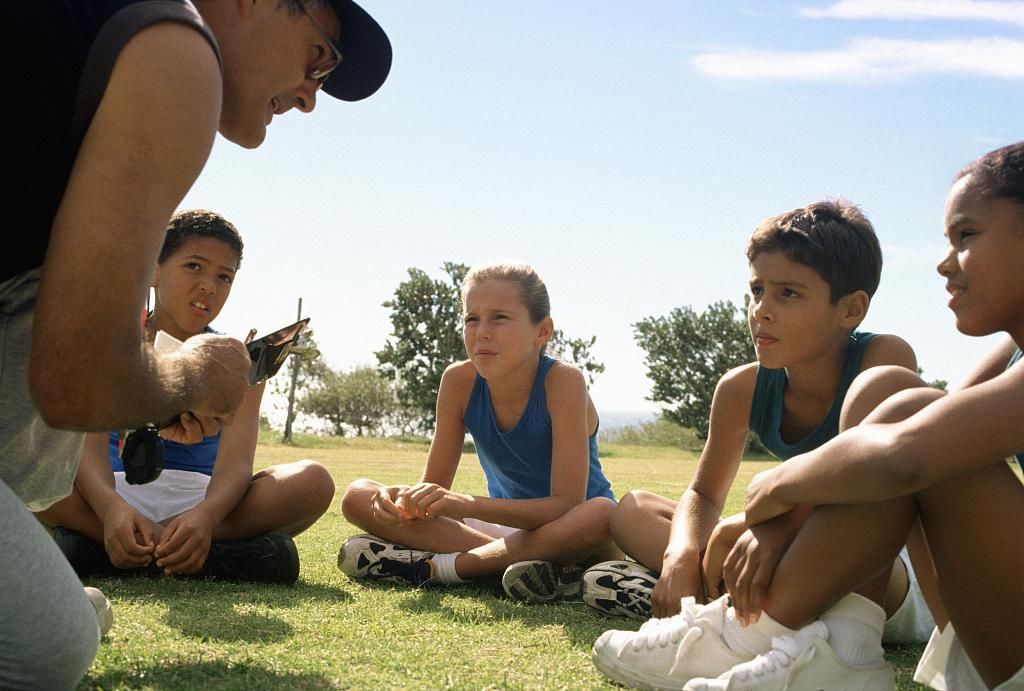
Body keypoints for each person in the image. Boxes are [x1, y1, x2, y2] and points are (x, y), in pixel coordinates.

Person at [0, 2, 390, 687]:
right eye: (319, 57)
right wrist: (190, 375)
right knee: (52, 650)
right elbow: (73, 381)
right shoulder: (180, 53)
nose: (309, 97)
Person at [594, 143, 1024, 690]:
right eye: (756, 292)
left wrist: (775, 502)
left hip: (895, 582)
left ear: (850, 309)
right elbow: (916, 447)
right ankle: (834, 647)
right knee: (892, 401)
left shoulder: (878, 350)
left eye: (967, 236)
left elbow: (904, 455)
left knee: (899, 405)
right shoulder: (1007, 355)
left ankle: (754, 630)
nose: (943, 263)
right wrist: (688, 550)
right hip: (984, 627)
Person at [582, 200, 933, 644]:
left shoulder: (883, 362)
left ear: (850, 310)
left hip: (883, 572)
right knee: (633, 511)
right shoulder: (740, 388)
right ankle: (694, 591)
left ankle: (707, 609)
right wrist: (680, 555)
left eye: (788, 293)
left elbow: (859, 485)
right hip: (791, 546)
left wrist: (757, 524)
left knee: (761, 539)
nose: (761, 310)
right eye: (757, 290)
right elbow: (704, 494)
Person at [37, 209, 336, 584]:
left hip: (204, 505)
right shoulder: (106, 346)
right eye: (194, 266)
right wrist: (111, 508)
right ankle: (205, 557)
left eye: (224, 276)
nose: (210, 286)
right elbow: (87, 450)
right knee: (20, 463)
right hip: (109, 499)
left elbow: (236, 466)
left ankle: (110, 550)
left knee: (313, 480)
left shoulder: (237, 361)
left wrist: (207, 517)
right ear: (153, 270)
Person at [338, 262, 621, 602]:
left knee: (603, 514)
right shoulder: (458, 381)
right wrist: (407, 500)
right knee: (359, 495)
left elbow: (565, 506)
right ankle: (520, 570)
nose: (481, 332)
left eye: (499, 318)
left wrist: (467, 504)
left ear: (542, 331)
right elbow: (434, 490)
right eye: (471, 319)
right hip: (506, 535)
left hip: (574, 535)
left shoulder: (563, 381)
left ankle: (445, 569)